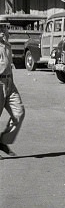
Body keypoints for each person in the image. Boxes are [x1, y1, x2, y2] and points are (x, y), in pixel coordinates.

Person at [0, 25, 25, 156]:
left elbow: (8, 65)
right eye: (1, 29)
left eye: (5, 29)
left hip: (9, 82)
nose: (4, 32)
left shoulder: (7, 46)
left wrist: (10, 83)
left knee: (19, 113)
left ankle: (3, 141)